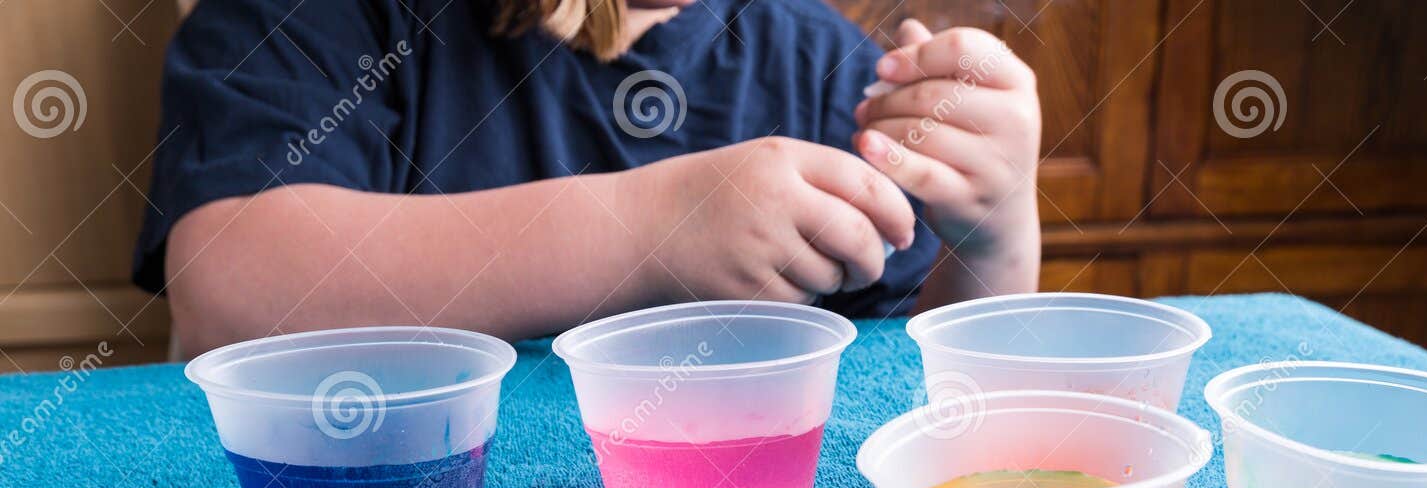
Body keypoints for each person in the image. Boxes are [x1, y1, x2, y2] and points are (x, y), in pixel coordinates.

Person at [135, 0, 1041, 355]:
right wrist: (648, 233)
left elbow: (931, 381)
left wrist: (995, 229)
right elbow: (232, 283)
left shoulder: (813, 64)